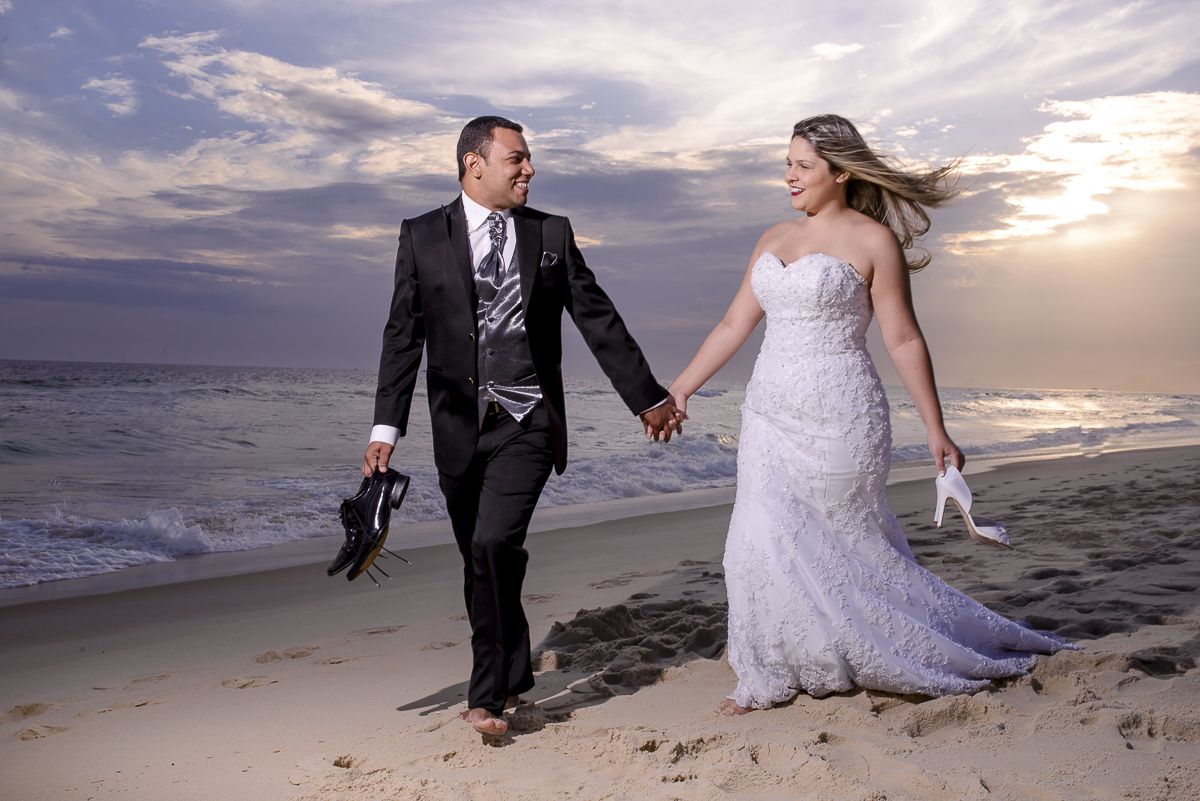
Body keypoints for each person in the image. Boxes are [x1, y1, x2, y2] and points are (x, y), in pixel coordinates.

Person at [666, 114, 1073, 715]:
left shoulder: (873, 241)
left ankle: (865, 650)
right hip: (769, 415)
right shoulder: (772, 239)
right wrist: (679, 392)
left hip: (842, 416)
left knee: (844, 542)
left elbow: (903, 339)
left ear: (842, 172)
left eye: (803, 166)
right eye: (788, 164)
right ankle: (774, 668)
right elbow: (734, 325)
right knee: (759, 539)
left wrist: (937, 428)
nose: (790, 177)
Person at [364, 116, 683, 735]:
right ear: (473, 165)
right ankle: (513, 673)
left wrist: (647, 397)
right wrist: (385, 428)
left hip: (529, 420)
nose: (528, 169)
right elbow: (403, 336)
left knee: (491, 544)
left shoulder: (551, 234)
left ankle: (485, 697)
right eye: (517, 159)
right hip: (458, 426)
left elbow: (598, 319)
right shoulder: (421, 236)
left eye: (529, 159)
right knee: (482, 558)